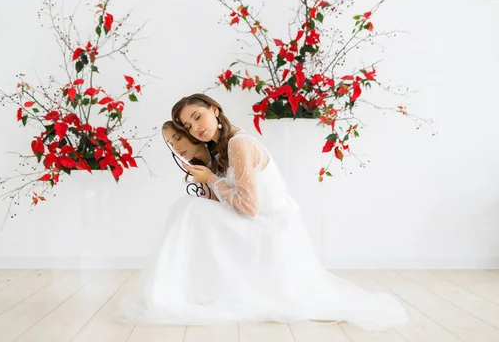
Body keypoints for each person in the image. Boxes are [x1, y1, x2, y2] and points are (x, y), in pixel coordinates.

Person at [117, 94, 408, 331]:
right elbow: (230, 200)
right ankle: (186, 290)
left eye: (198, 117)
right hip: (257, 223)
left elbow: (249, 206)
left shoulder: (239, 143)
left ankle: (179, 292)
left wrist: (211, 180)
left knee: (190, 211)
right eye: (188, 126)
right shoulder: (221, 148)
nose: (195, 128)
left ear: (215, 111)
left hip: (269, 228)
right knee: (190, 208)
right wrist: (205, 177)